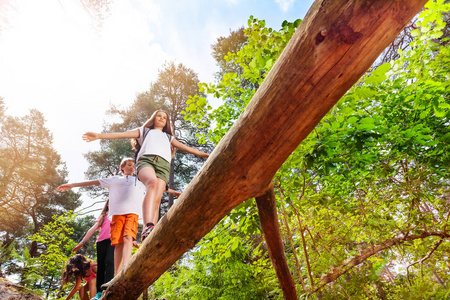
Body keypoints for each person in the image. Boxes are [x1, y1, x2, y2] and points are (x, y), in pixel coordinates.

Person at [82, 110, 209, 242]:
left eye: (164, 118)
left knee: (157, 199)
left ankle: (149, 233)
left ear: (166, 122)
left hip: (164, 166)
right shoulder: (144, 131)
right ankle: (148, 225)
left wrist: (206, 155)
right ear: (153, 118)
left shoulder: (168, 137)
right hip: (146, 161)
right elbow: (122, 134)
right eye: (159, 116)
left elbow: (187, 148)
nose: (161, 118)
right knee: (152, 183)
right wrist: (98, 135)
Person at [57, 158, 144, 275]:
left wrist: (172, 192)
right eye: (129, 165)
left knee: (128, 237)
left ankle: (126, 266)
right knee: (118, 244)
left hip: (132, 212)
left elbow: (154, 185)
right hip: (117, 214)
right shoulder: (114, 180)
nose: (132, 167)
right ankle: (117, 274)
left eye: (133, 166)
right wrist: (72, 185)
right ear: (122, 167)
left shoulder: (137, 181)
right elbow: (94, 182)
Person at [72, 200, 114, 300]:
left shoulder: (118, 214)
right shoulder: (103, 216)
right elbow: (92, 229)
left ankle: (108, 288)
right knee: (101, 267)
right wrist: (82, 242)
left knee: (109, 262)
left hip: (113, 240)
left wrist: (130, 240)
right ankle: (99, 293)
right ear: (107, 204)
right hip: (100, 242)